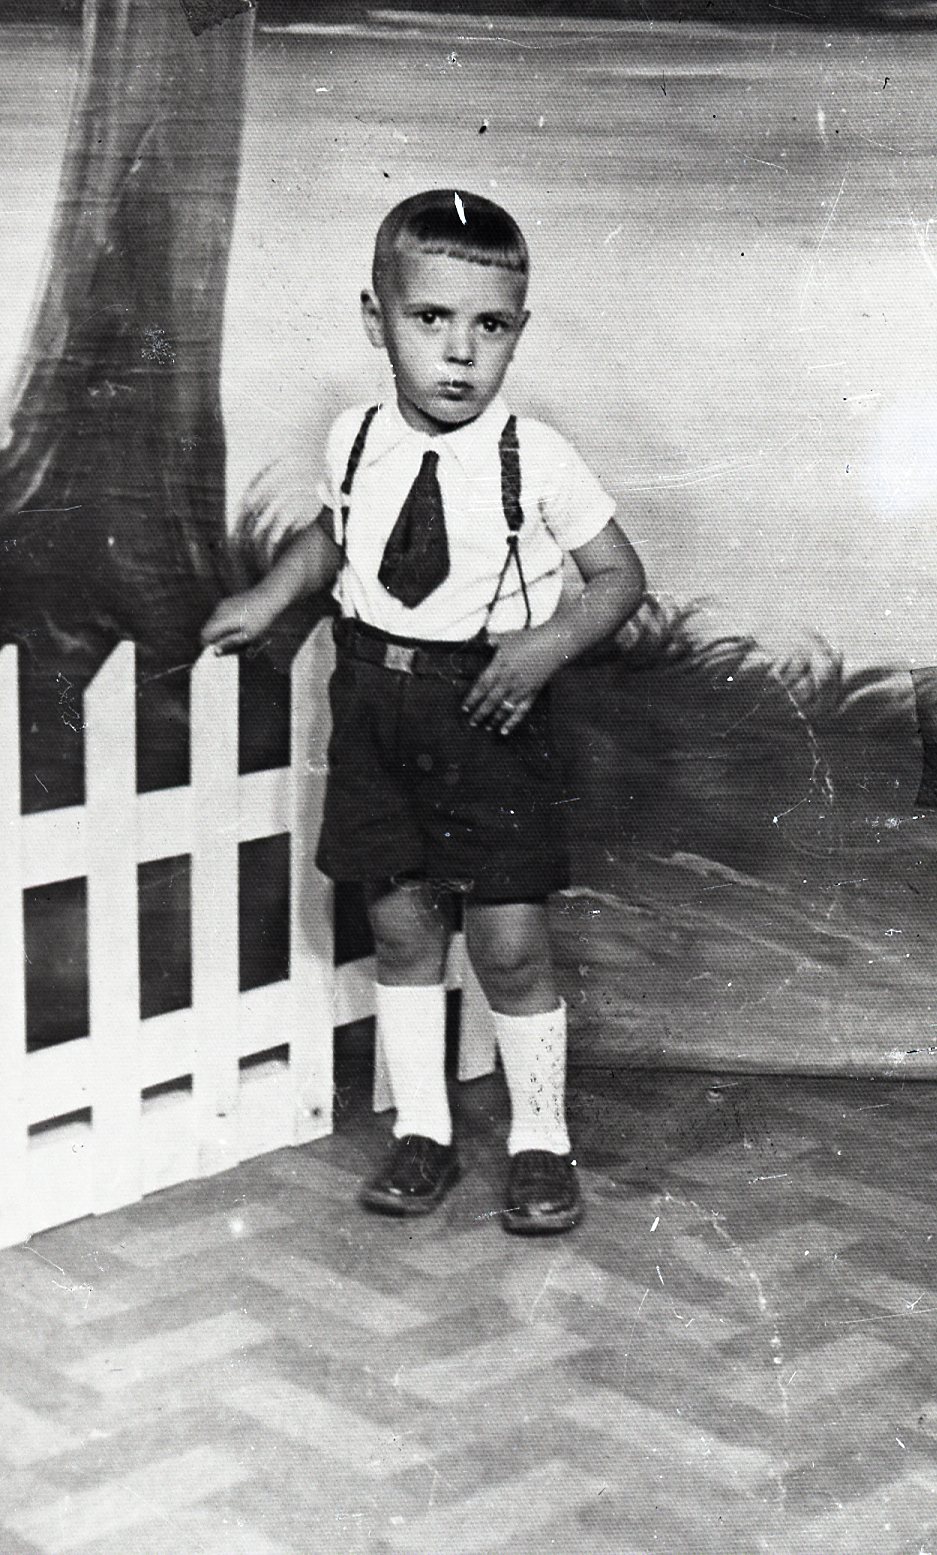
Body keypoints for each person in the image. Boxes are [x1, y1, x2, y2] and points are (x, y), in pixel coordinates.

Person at [202, 188, 646, 1234]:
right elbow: (333, 535)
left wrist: (544, 646)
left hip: (487, 711)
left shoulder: (536, 456)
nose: (459, 352)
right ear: (377, 320)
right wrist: (270, 594)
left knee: (508, 943)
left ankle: (540, 1142)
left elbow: (619, 577)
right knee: (400, 929)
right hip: (373, 704)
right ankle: (423, 1131)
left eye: (489, 326)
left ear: (518, 332)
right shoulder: (356, 437)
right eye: (430, 318)